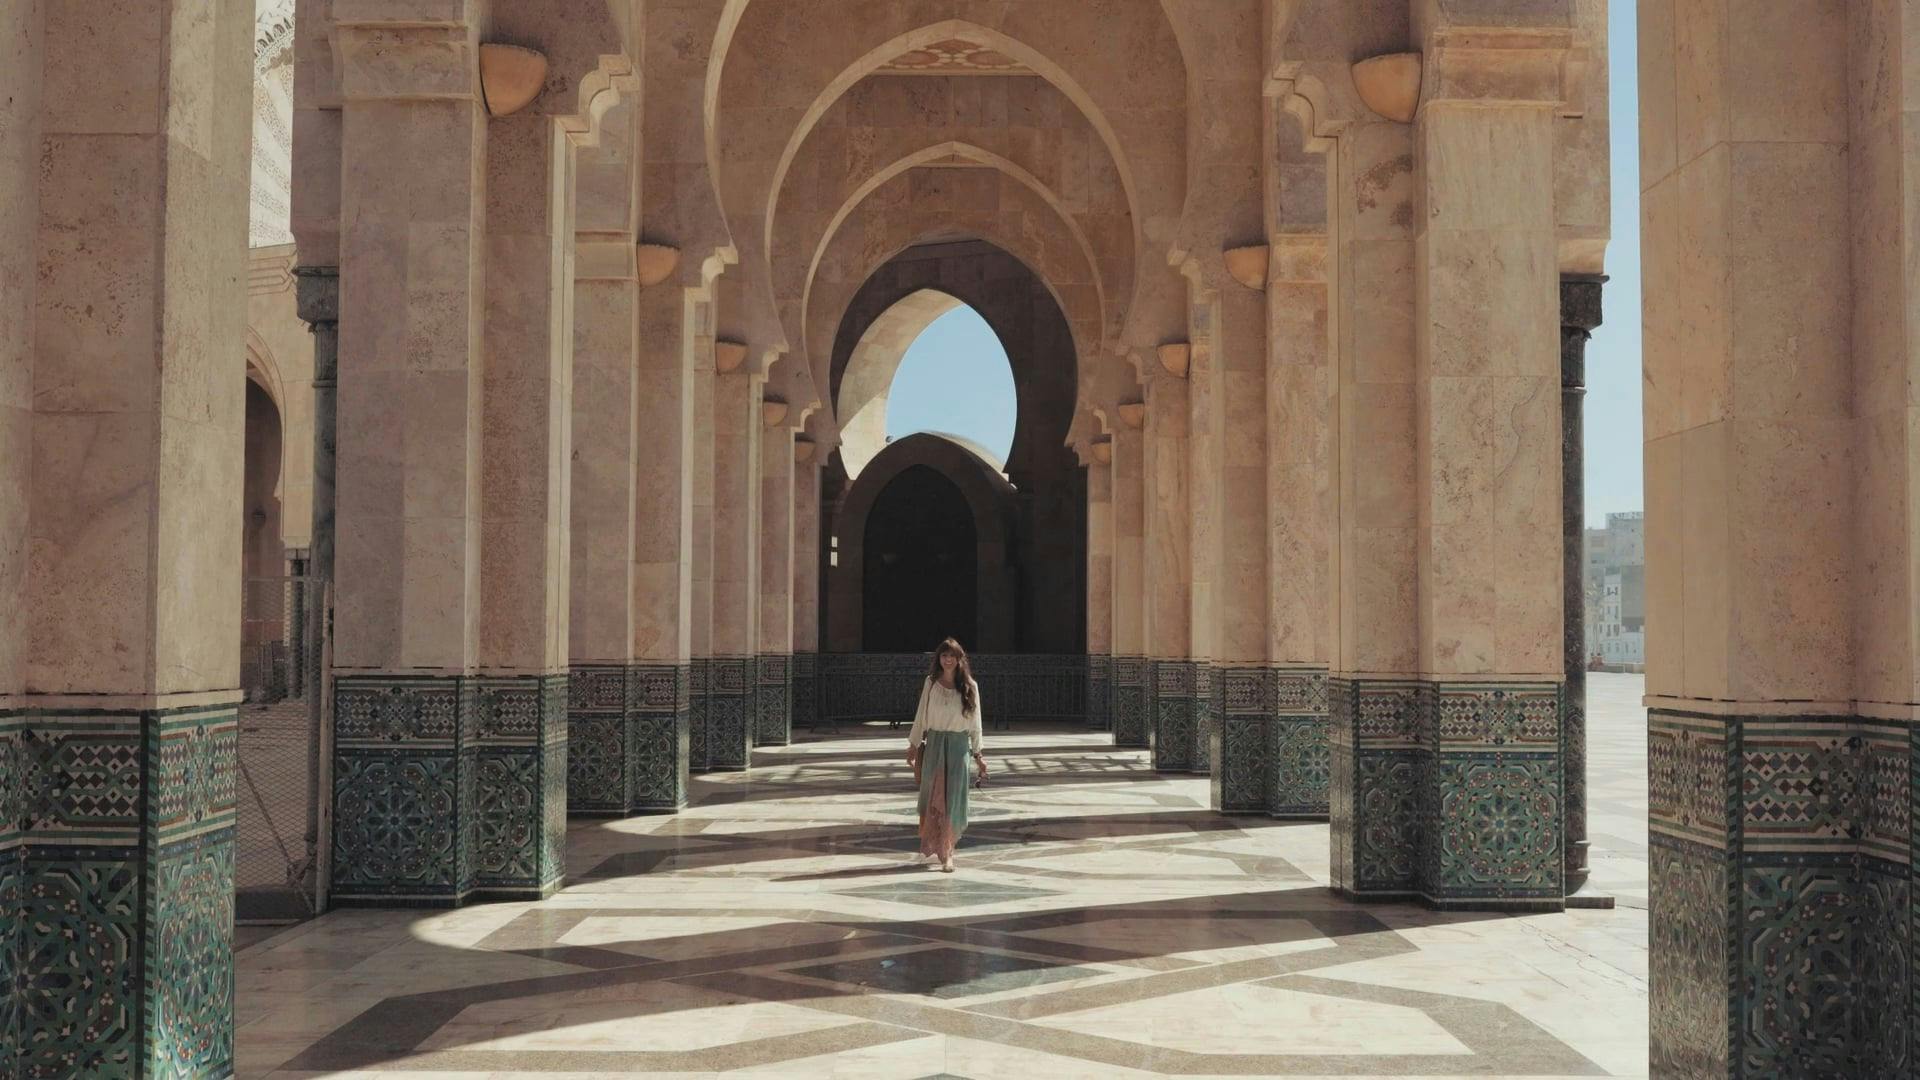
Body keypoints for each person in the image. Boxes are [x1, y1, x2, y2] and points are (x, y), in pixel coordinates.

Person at [905, 638, 988, 872]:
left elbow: (976, 724)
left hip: (959, 747)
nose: (948, 660)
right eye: (943, 655)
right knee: (934, 798)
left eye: (952, 655)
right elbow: (921, 715)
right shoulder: (930, 684)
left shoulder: (970, 687)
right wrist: (913, 745)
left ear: (960, 659)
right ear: (938, 659)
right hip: (934, 745)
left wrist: (979, 755)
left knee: (953, 799)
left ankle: (948, 851)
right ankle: (940, 846)